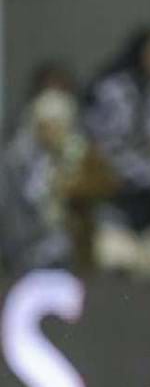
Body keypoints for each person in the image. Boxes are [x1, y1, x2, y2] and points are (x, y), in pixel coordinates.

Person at [82, 27, 150, 274]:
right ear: (144, 52)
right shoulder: (113, 88)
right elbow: (98, 133)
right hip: (117, 191)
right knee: (116, 261)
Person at [0, 91, 86, 275]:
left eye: (60, 126)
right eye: (50, 125)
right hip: (23, 237)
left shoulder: (68, 152)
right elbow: (22, 201)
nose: (55, 132)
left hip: (58, 239)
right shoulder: (17, 158)